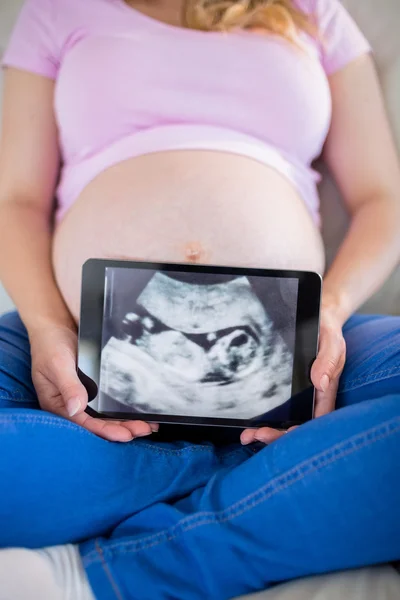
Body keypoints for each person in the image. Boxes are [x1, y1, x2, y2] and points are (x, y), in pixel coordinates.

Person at [0, 0, 399, 598]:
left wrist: (333, 314)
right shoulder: (55, 10)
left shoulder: (314, 10)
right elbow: (16, 200)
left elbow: (382, 198)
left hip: (302, 352)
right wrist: (47, 328)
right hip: (77, 354)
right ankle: (253, 472)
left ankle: (119, 571)